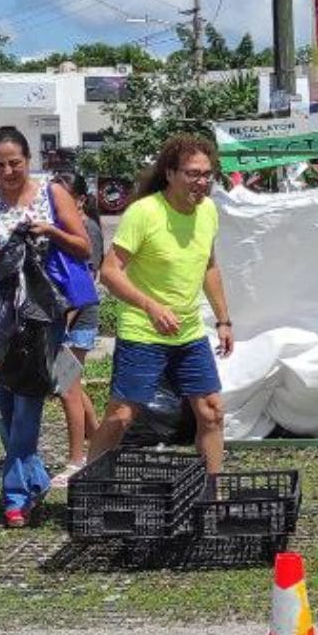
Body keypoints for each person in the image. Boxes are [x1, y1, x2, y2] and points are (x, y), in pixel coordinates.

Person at [86, 133, 235, 474]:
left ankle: (212, 492)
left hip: (189, 331)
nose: (202, 182)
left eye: (207, 174)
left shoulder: (208, 210)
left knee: (212, 411)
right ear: (170, 173)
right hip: (143, 331)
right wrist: (150, 306)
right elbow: (109, 272)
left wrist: (224, 320)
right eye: (192, 173)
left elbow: (209, 266)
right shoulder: (144, 212)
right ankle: (90, 485)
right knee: (122, 416)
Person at [0, 128, 91, 527]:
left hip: (42, 314)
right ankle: (34, 479)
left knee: (28, 399)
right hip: (2, 313)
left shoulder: (52, 193)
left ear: (28, 159)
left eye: (15, 163)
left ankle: (15, 495)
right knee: (4, 400)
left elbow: (84, 246)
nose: (8, 171)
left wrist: (50, 231)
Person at [51, 173, 106, 487]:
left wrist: (64, 322)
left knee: (67, 385)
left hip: (77, 316)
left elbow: (86, 279)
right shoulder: (63, 227)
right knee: (70, 384)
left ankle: (77, 460)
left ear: (81, 200)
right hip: (63, 315)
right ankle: (99, 442)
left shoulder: (87, 229)